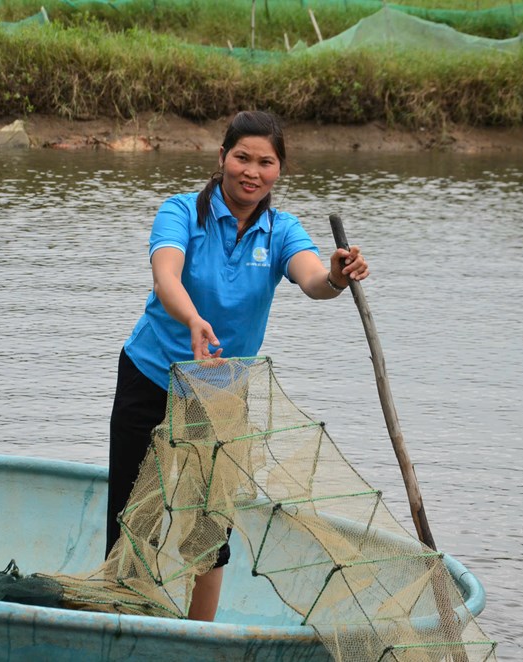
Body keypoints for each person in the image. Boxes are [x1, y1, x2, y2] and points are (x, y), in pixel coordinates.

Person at [107, 110, 369, 622]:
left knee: (211, 526)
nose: (252, 171)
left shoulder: (281, 229)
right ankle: (122, 622)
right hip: (151, 376)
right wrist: (193, 320)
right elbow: (166, 277)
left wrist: (338, 276)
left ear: (279, 169)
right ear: (222, 157)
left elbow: (314, 281)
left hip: (221, 390)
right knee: (133, 514)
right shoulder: (181, 211)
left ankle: (199, 635)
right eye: (242, 157)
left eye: (265, 162)